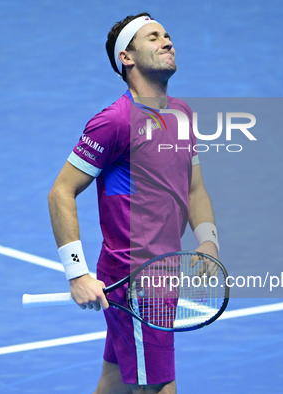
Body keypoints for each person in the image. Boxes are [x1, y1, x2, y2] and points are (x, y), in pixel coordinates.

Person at [48, 13, 219, 394]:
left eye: (168, 35)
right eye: (153, 37)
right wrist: (76, 274)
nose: (167, 41)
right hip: (138, 277)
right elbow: (61, 191)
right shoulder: (114, 122)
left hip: (165, 266)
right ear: (127, 57)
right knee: (157, 387)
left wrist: (207, 241)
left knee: (115, 381)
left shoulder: (182, 115)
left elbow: (194, 189)